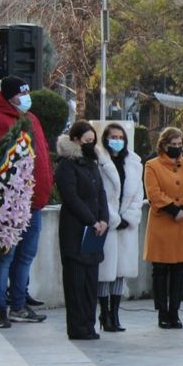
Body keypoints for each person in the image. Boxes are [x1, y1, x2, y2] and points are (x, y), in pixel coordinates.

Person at [0, 76, 53, 328]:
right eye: (21, 93)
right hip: (11, 204)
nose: (26, 97)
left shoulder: (31, 119)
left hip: (34, 202)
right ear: (9, 96)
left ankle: (19, 305)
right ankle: (0, 308)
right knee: (5, 258)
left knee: (25, 257)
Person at [54, 122, 109, 340]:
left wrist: (103, 218)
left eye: (93, 140)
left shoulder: (91, 163)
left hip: (94, 232)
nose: (91, 144)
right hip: (76, 230)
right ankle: (77, 327)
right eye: (87, 141)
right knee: (76, 282)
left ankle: (89, 324)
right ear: (75, 140)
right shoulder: (67, 165)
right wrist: (91, 220)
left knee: (90, 283)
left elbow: (101, 193)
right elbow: (71, 197)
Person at [143, 127, 183, 329]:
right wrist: (173, 209)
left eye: (179, 144)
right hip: (162, 221)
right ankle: (162, 313)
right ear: (163, 145)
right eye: (172, 145)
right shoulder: (152, 165)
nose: (176, 148)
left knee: (179, 270)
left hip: (182, 223)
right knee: (160, 270)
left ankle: (175, 311)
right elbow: (154, 192)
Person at [96, 123, 144, 333]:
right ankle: (104, 313)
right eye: (112, 136)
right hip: (108, 223)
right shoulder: (99, 162)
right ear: (105, 139)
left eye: (120, 136)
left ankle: (115, 314)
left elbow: (137, 195)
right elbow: (98, 194)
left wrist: (129, 217)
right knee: (105, 272)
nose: (117, 140)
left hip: (126, 224)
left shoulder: (134, 163)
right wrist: (114, 219)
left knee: (120, 272)